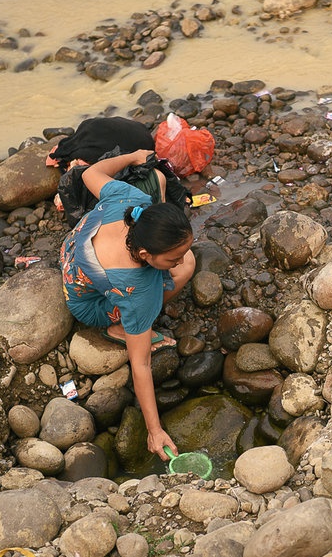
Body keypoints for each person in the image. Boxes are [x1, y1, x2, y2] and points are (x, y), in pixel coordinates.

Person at [59, 148, 196, 462]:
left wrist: (133, 156)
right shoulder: (138, 287)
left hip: (71, 257)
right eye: (169, 257)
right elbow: (142, 365)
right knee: (188, 266)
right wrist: (154, 429)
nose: (175, 258)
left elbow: (90, 173)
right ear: (146, 255)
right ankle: (119, 327)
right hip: (88, 305)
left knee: (184, 259)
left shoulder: (130, 202)